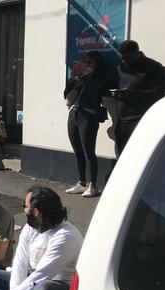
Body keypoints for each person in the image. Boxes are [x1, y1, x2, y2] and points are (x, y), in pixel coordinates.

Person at [64, 51, 109, 198]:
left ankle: (93, 185)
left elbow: (96, 94)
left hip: (88, 116)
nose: (87, 64)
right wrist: (73, 80)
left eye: (90, 62)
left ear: (97, 64)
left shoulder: (99, 77)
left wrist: (87, 76)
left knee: (89, 151)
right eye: (85, 61)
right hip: (74, 113)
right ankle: (82, 183)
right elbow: (66, 94)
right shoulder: (80, 76)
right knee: (77, 150)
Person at [112, 40, 165, 157]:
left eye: (126, 58)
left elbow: (158, 93)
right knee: (122, 157)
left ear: (136, 54)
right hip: (123, 119)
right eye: (122, 58)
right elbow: (114, 85)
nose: (124, 61)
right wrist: (115, 93)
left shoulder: (153, 67)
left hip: (141, 120)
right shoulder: (121, 68)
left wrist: (131, 94)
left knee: (139, 156)